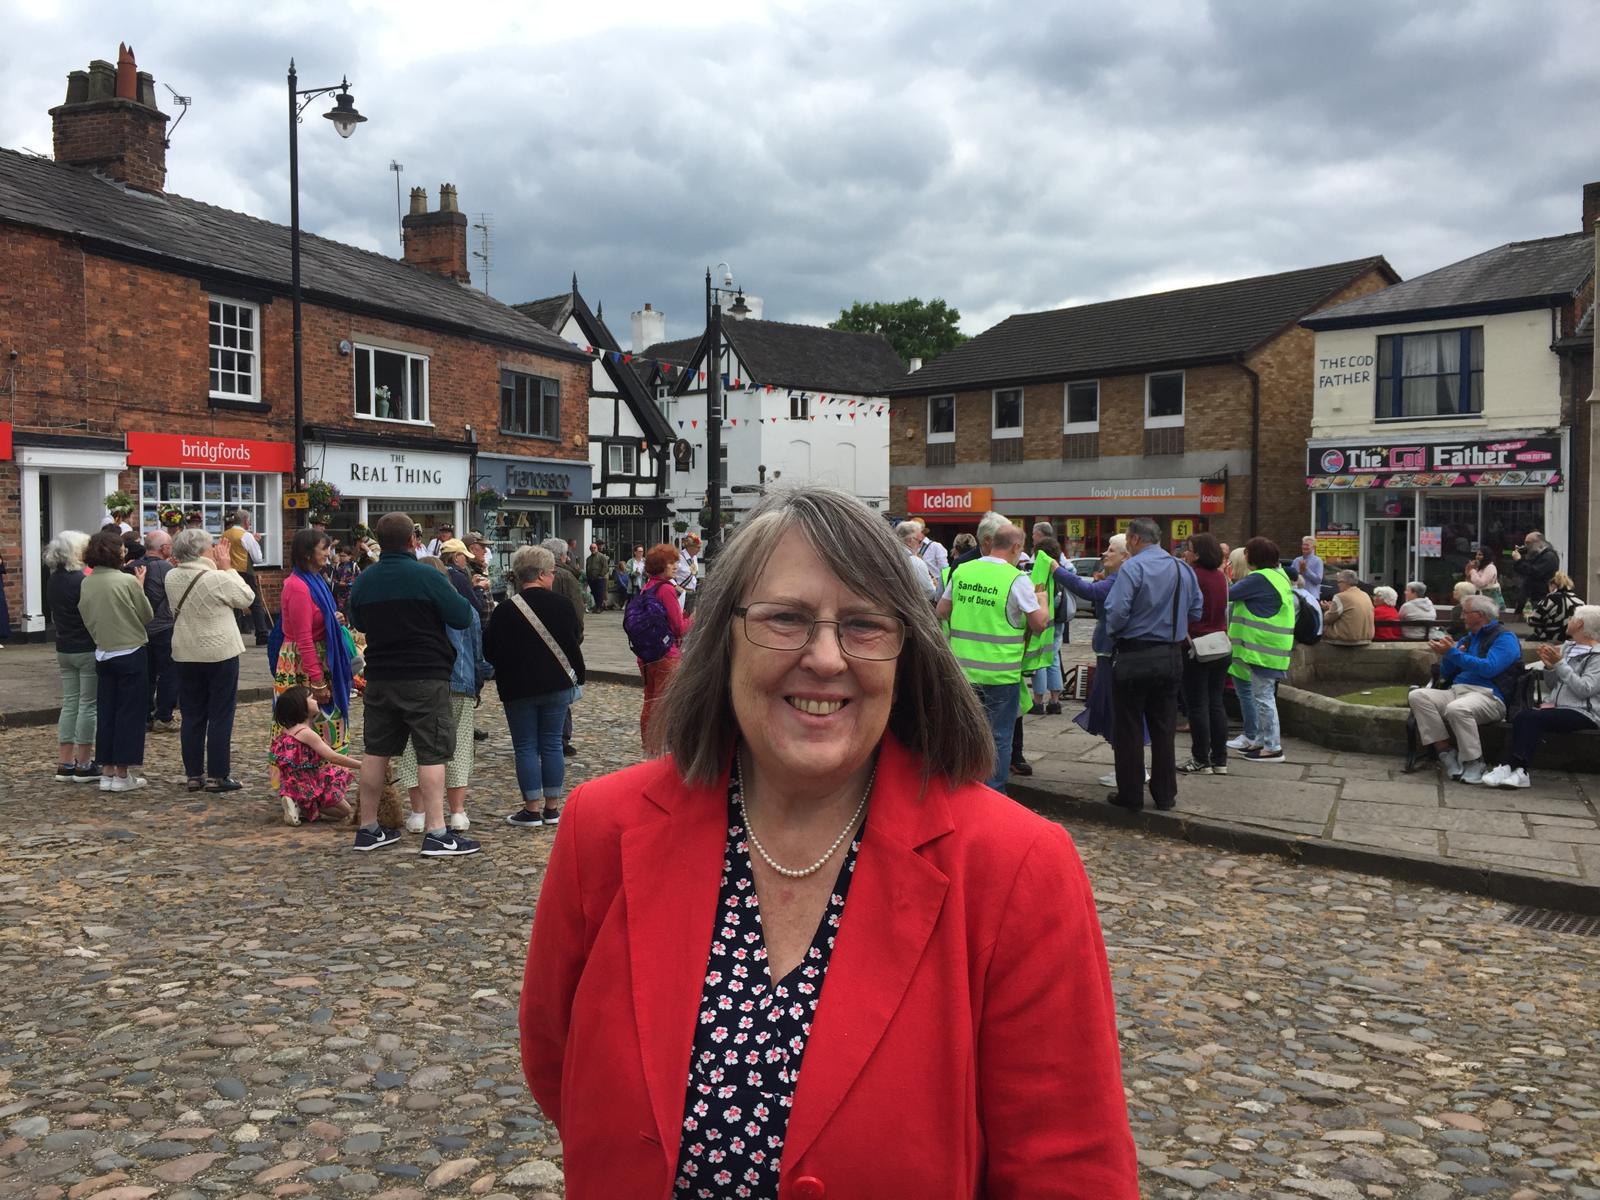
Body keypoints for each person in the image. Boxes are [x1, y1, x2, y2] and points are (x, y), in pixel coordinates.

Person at [519, 484, 1138, 1198]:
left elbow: (1069, 1167)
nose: (825, 657)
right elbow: (557, 1063)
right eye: (785, 618)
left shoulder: (1015, 865)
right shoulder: (606, 825)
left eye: (864, 625)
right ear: (723, 640)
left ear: (906, 652)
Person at [347, 512, 477, 856]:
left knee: (376, 752)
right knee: (431, 751)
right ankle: (437, 831)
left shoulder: (365, 580)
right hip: (425, 674)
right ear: (412, 542)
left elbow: (356, 619)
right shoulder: (426, 576)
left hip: (380, 676)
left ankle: (368, 828)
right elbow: (462, 615)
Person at [936, 516, 1047, 793]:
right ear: (1015, 547)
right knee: (998, 738)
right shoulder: (1016, 579)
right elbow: (1038, 623)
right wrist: (1042, 602)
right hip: (1000, 674)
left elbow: (941, 612)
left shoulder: (962, 572)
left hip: (962, 672)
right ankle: (993, 795)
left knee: (964, 733)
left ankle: (960, 790)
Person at [1101, 518, 1202, 811]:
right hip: (1170, 654)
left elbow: (1117, 612)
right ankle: (1165, 793)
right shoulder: (1181, 568)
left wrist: (1118, 632)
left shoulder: (1133, 567)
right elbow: (1196, 609)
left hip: (1134, 653)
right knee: (1164, 727)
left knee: (1129, 727)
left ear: (1133, 539)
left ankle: (1131, 794)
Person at [487, 544, 586, 827]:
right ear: (542, 574)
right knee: (553, 743)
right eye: (552, 573)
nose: (554, 577)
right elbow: (573, 641)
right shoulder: (562, 606)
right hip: (555, 684)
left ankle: (531, 809)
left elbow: (490, 650)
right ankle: (552, 808)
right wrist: (577, 673)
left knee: (526, 746)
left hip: (518, 687)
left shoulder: (505, 610)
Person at [397, 557, 492, 835]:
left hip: (417, 683)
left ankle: (418, 812)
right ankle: (458, 812)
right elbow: (477, 655)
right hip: (459, 684)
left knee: (415, 746)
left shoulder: (410, 611)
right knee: (458, 746)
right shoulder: (465, 610)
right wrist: (480, 678)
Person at [166, 528, 255, 793]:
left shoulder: (171, 576)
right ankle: (218, 775)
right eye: (211, 546)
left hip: (185, 651)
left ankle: (194, 774)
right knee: (220, 714)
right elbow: (246, 597)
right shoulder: (217, 577)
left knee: (192, 714)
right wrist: (228, 567)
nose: (215, 549)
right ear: (201, 551)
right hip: (219, 652)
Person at [1059, 535, 1148, 789]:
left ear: (1125, 556)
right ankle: (1130, 768)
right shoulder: (1118, 578)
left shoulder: (1121, 579)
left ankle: (1133, 770)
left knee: (1117, 714)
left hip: (1113, 657)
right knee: (1114, 715)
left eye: (1110, 550)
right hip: (1109, 655)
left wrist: (1057, 570)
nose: (1104, 554)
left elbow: (1088, 591)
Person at [1407, 593, 1522, 784]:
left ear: (1480, 615)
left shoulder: (1505, 638)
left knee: (1457, 708)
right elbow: (1445, 672)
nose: (1461, 616)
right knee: (1418, 696)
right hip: (1458, 690)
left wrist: (1454, 654)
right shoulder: (1468, 639)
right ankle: (1445, 752)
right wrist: (1447, 655)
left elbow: (1489, 668)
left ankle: (1474, 761)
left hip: (1489, 695)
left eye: (1465, 612)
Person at [1483, 605, 1600, 789]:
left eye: (1572, 618)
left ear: (1580, 624)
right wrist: (1549, 667)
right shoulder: (1568, 648)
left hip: (1585, 712)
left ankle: (1514, 767)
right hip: (1558, 707)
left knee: (1531, 717)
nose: (1568, 621)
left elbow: (1585, 689)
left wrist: (1560, 663)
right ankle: (1513, 769)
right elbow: (1555, 684)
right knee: (1525, 716)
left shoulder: (1597, 656)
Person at [268, 529, 353, 777]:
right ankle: (301, 782)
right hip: (303, 664)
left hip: (319, 658)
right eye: (323, 549)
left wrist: (333, 618)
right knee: (309, 722)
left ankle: (324, 779)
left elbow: (317, 619)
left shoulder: (317, 580)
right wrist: (316, 681)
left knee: (325, 722)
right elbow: (303, 637)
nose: (329, 554)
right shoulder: (297, 586)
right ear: (307, 553)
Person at [78, 530, 152, 792]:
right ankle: (122, 774)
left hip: (103, 651)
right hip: (130, 650)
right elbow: (146, 614)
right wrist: (140, 587)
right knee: (129, 714)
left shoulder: (87, 582)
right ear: (114, 552)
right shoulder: (126, 581)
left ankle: (106, 770)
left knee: (107, 712)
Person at [1225, 538, 1295, 764]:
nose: (1244, 556)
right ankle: (1261, 743)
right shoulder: (1279, 576)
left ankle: (1273, 747)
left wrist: (1224, 574)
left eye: (1246, 553)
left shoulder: (1259, 578)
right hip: (1273, 647)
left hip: (1262, 649)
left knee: (1263, 698)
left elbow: (1227, 593)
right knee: (1261, 695)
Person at [46, 531, 99, 784]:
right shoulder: (82, 580)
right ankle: (84, 762)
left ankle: (65, 762)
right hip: (86, 647)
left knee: (70, 703)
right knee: (88, 704)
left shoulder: (54, 579)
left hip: (63, 647)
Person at [632, 543, 692, 754]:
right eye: (671, 562)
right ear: (661, 565)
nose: (675, 566)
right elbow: (678, 628)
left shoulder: (648, 586)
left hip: (647, 653)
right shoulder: (666, 589)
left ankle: (650, 744)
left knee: (650, 699)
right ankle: (661, 747)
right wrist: (693, 618)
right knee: (665, 702)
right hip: (667, 653)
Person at [1179, 532, 1231, 774]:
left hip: (1196, 647)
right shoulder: (1221, 577)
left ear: (1197, 553)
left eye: (1188, 549)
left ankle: (1201, 759)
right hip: (1221, 645)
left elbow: (1184, 611)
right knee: (1216, 703)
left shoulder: (1191, 576)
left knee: (1197, 705)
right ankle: (1220, 759)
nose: (1185, 553)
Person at [271, 686, 359, 825]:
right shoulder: (306, 732)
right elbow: (332, 757)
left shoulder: (288, 730)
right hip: (310, 782)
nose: (315, 700)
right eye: (311, 698)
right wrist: (362, 765)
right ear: (301, 705)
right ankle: (304, 806)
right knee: (345, 811)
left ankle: (299, 803)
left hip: (294, 782)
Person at [543, 537, 587, 756]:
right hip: (561, 641)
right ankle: (561, 738)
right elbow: (577, 612)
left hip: (539, 640)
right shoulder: (567, 576)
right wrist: (576, 639)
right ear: (562, 556)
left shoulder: (534, 573)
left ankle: (549, 735)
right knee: (561, 690)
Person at [137, 530, 179, 732]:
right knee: (169, 672)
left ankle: (144, 716)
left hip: (140, 628)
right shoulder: (165, 567)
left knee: (146, 674)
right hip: (163, 627)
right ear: (164, 549)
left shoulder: (133, 566)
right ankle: (163, 715)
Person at [1032, 537, 1070, 714]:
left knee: (1040, 660)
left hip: (1044, 624)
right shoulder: (1060, 572)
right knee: (1053, 659)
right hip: (1058, 624)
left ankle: (1038, 701)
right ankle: (1055, 701)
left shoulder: (1041, 575)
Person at [222, 509, 270, 645]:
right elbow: (258, 558)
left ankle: (232, 635)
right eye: (249, 521)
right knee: (255, 603)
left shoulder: (224, 535)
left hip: (228, 571)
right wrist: (255, 543)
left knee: (232, 604)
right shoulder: (246, 536)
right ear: (245, 521)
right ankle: (262, 635)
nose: (249, 523)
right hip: (245, 572)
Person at [1321, 570, 1375, 646]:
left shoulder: (1340, 596)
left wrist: (1327, 609)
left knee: (1319, 627)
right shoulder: (1365, 595)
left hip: (1347, 638)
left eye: (1338, 582)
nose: (1338, 585)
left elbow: (1328, 619)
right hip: (1366, 637)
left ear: (1344, 582)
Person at [1510, 531, 1559, 615]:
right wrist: (1520, 557)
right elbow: (1523, 570)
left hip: (1540, 595)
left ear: (1538, 542)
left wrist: (1519, 560)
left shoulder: (1549, 556)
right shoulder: (1535, 554)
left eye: (1528, 543)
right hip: (1530, 595)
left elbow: (1534, 572)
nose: (1526, 546)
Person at [1531, 572, 1583, 643]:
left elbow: (1534, 620)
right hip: (1573, 639)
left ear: (1553, 586)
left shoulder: (1551, 599)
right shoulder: (1578, 600)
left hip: (1552, 638)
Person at [895, 520, 939, 600]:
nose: (920, 546)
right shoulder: (916, 562)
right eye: (919, 541)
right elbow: (928, 592)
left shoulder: (887, 556)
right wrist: (935, 586)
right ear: (909, 541)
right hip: (909, 608)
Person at [674, 533, 702, 613]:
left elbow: (693, 574)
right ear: (690, 547)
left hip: (692, 593)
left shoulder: (695, 558)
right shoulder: (679, 557)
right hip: (681, 592)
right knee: (680, 615)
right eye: (698, 547)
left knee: (691, 618)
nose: (699, 550)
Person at [584, 542, 612, 612]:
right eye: (591, 548)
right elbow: (587, 568)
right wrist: (588, 578)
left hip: (599, 579)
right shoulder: (588, 559)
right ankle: (597, 607)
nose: (593, 549)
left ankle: (599, 608)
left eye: (594, 548)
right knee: (594, 593)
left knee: (600, 593)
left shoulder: (601, 556)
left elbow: (606, 567)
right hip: (591, 579)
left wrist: (600, 575)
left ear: (597, 548)